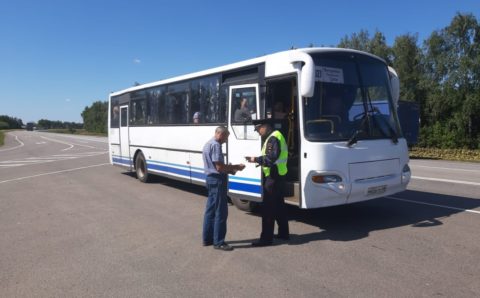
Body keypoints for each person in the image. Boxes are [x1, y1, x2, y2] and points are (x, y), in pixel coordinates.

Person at [245, 119, 290, 246]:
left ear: (264, 126)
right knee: (279, 206)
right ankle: (283, 233)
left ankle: (266, 239)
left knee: (268, 209)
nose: (258, 132)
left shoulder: (273, 138)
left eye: (258, 129)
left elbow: (271, 159)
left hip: (273, 177)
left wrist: (256, 159)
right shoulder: (276, 136)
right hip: (279, 175)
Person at [202, 126, 245, 251]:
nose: (226, 140)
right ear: (220, 134)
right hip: (217, 180)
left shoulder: (208, 144)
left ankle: (207, 239)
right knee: (221, 212)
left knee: (210, 210)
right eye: (226, 137)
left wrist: (230, 169)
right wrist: (234, 168)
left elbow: (217, 166)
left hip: (210, 179)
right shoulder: (216, 145)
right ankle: (219, 242)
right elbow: (219, 168)